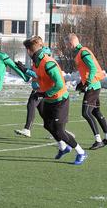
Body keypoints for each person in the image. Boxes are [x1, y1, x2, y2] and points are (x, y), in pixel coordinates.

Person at [23, 36, 87, 165]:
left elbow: (59, 84)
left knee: (59, 130)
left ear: (30, 51)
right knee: (47, 125)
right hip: (50, 99)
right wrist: (25, 70)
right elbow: (39, 77)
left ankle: (81, 152)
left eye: (27, 50)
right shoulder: (37, 62)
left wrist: (44, 94)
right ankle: (63, 147)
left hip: (60, 100)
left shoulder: (48, 62)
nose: (27, 53)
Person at [65, 33, 107, 150]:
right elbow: (86, 70)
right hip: (93, 85)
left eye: (67, 44)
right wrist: (81, 83)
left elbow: (93, 68)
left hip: (93, 86)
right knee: (96, 112)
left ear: (71, 43)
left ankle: (98, 140)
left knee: (86, 113)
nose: (67, 47)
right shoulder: (80, 52)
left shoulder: (83, 52)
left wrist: (88, 82)